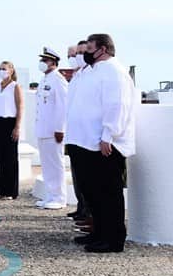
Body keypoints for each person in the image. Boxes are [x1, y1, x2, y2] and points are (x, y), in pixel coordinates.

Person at [65, 33, 136, 253]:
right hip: (85, 141)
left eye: (89, 49)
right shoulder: (93, 71)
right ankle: (99, 233)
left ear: (103, 49)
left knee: (108, 193)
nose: (85, 54)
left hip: (103, 144)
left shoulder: (114, 71)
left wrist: (109, 135)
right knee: (93, 193)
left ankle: (113, 239)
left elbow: (117, 105)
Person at [34, 47, 69, 211]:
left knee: (56, 164)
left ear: (53, 62)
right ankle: (50, 195)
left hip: (54, 131)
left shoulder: (58, 79)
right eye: (42, 60)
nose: (42, 63)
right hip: (43, 129)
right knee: (47, 165)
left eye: (45, 60)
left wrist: (60, 128)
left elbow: (62, 106)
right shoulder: (45, 79)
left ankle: (59, 197)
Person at [0, 61, 24, 200]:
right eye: (0, 69)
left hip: (10, 122)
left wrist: (17, 126)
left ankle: (10, 191)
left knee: (10, 157)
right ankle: (1, 191)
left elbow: (20, 106)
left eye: (4, 69)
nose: (2, 71)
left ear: (11, 70)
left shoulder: (15, 86)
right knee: (0, 157)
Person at [66, 39, 92, 223]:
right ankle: (81, 208)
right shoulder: (77, 76)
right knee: (78, 176)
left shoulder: (90, 74)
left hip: (86, 135)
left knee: (87, 179)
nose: (76, 58)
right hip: (74, 133)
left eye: (79, 53)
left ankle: (88, 213)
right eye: (73, 55)